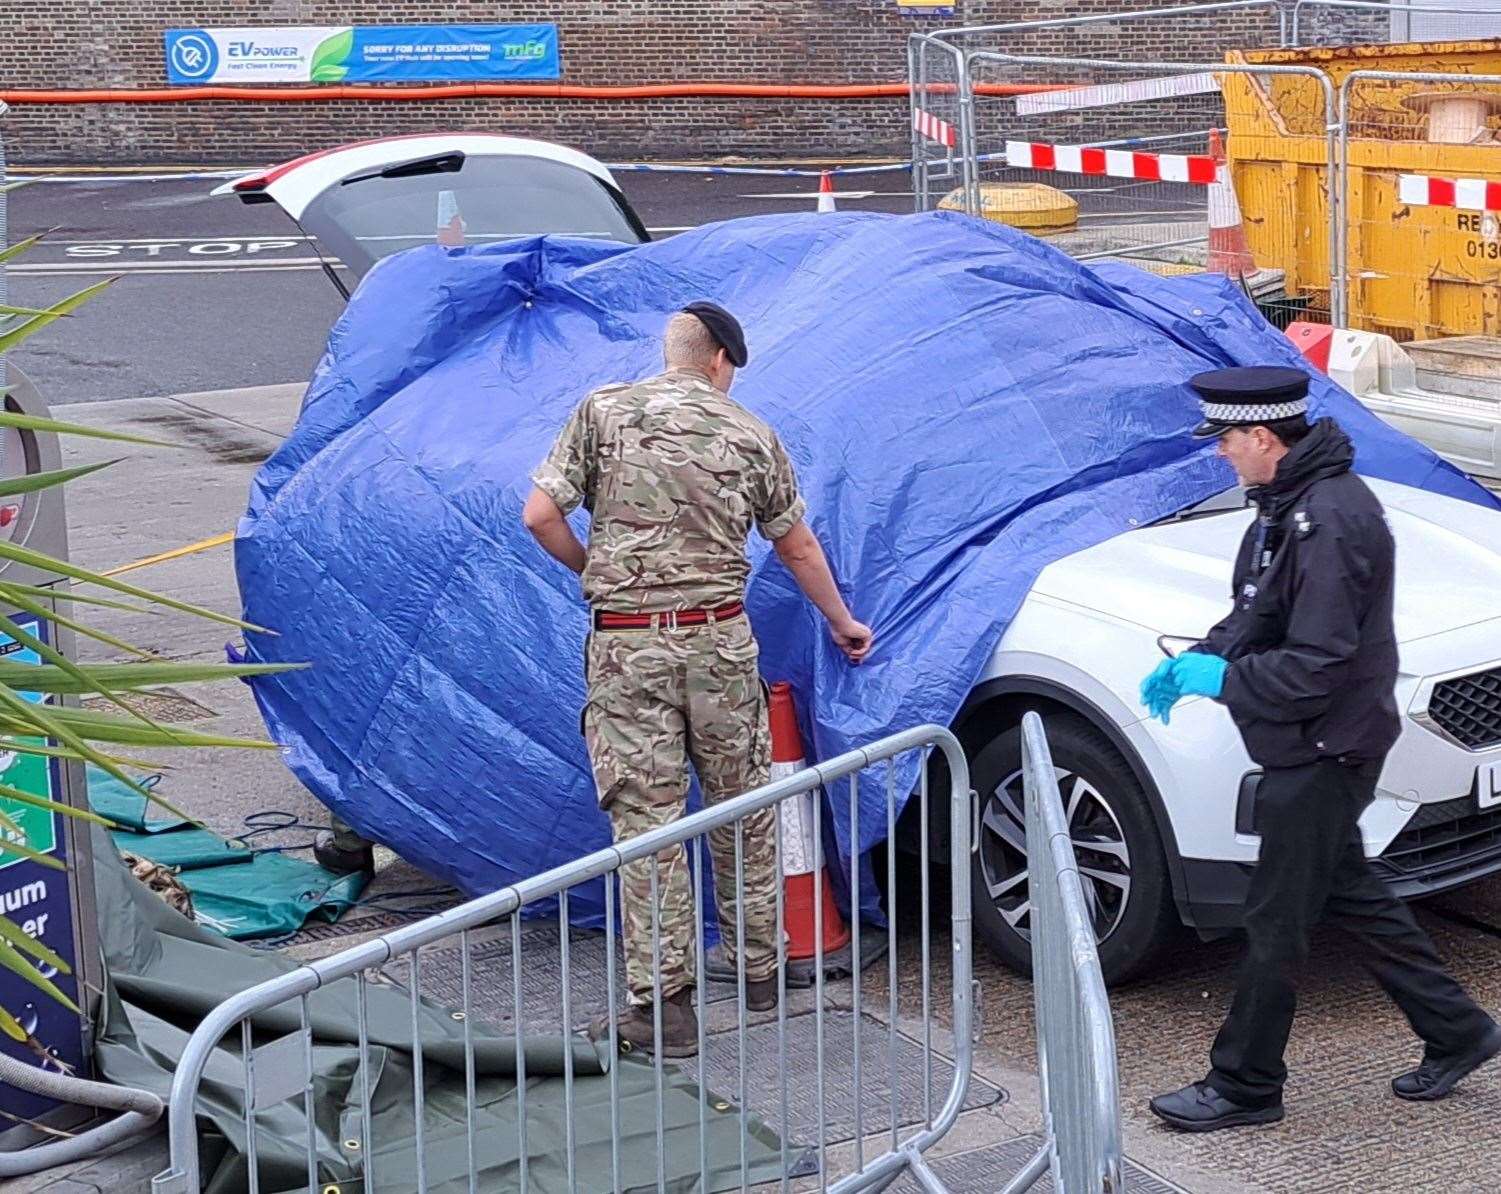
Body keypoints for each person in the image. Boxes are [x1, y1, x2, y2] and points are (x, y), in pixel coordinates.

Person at [1141, 365, 1500, 1132]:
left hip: (1323, 747)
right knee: (1351, 891)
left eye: (1227, 440)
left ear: (1263, 437)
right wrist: (1199, 656)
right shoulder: (1286, 503)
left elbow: (1318, 663)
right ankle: (1458, 1031)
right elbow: (1258, 610)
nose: (1220, 455)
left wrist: (1224, 679)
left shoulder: (1329, 518)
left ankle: (1243, 1085)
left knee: (1274, 923)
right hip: (1316, 741)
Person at [522, 301, 873, 1057]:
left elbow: (539, 516)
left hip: (626, 645)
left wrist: (600, 577)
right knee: (741, 807)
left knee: (647, 826)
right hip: (718, 641)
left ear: (674, 352)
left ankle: (665, 1011)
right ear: (720, 361)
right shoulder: (749, 432)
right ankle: (757, 969)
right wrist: (841, 621)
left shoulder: (603, 411)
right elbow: (796, 545)